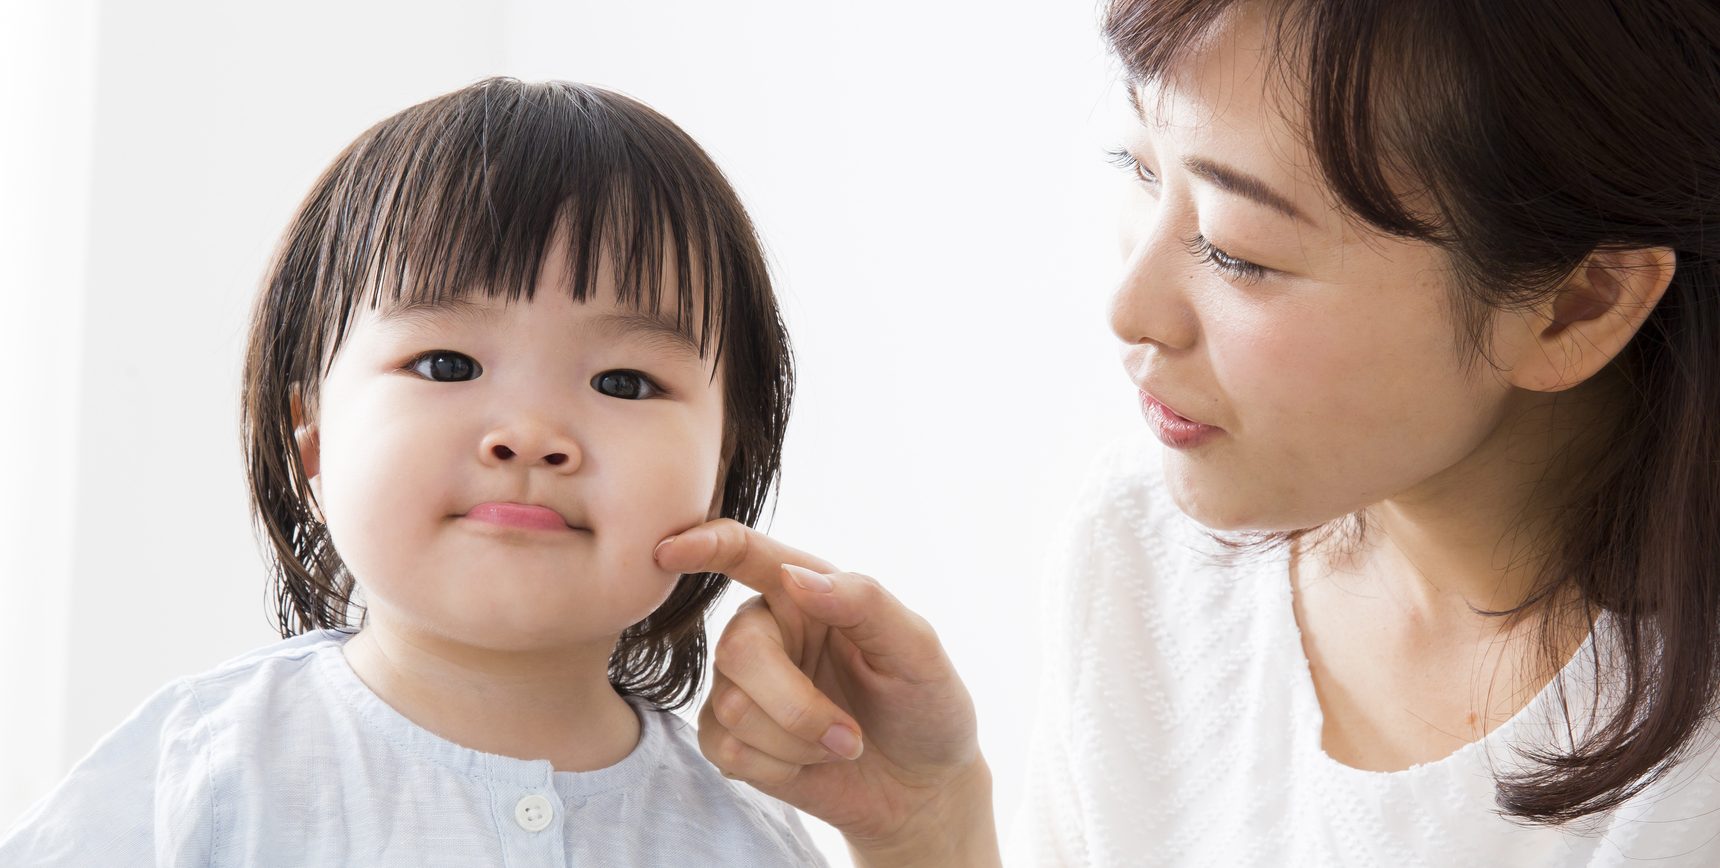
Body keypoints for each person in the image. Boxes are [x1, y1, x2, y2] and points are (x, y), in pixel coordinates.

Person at [658, 0, 1720, 865]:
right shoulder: (1147, 548)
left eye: (1237, 249)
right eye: (1139, 166)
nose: (1128, 308)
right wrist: (925, 826)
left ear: (1578, 305)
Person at [0, 77, 825, 866]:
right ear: (311, 441)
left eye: (624, 382)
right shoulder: (203, 772)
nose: (531, 436)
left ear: (717, 477)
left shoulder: (746, 831)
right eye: (445, 364)